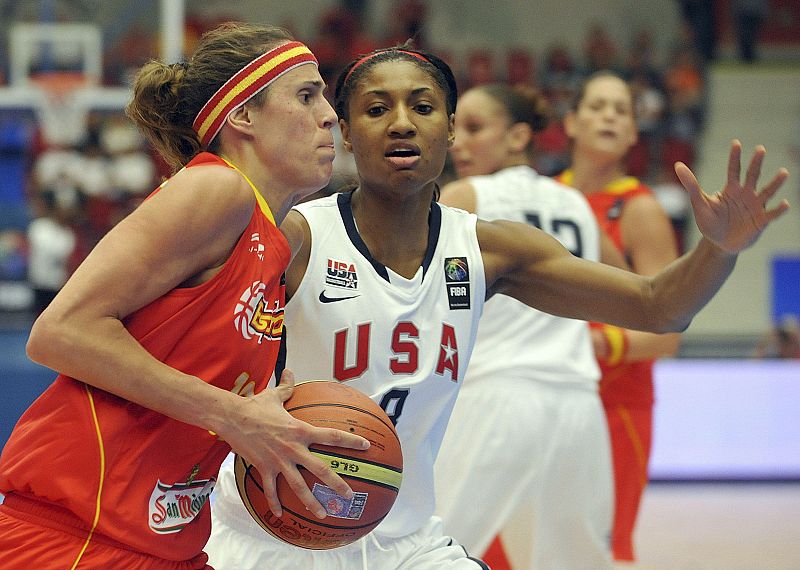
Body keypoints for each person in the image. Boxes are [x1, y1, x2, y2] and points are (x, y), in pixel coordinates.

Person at [204, 44, 789, 570]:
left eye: (423, 107)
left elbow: (660, 306)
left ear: (452, 130)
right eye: (377, 109)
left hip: (408, 539)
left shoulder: (490, 247)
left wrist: (720, 248)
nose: (402, 123)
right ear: (347, 134)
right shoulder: (297, 236)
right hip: (278, 531)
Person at [0, 22, 370, 569]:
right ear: (242, 115)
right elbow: (61, 332)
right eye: (306, 95)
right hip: (75, 537)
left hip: (163, 545)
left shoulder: (270, 240)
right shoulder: (217, 189)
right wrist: (234, 416)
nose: (329, 116)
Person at [431, 82, 614, 569]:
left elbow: (430, 301)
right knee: (576, 561)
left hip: (495, 396)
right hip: (578, 404)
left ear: (516, 137)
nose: (457, 143)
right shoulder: (576, 203)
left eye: (473, 128)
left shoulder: (465, 194)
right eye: (454, 130)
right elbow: (618, 279)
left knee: (427, 548)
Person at [555, 69, 682, 563]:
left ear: (633, 132)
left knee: (605, 545)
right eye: (597, 106)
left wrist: (595, 345)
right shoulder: (543, 198)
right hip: (547, 396)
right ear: (571, 122)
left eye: (621, 110)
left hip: (615, 404)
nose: (609, 116)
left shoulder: (641, 209)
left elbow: (667, 333)